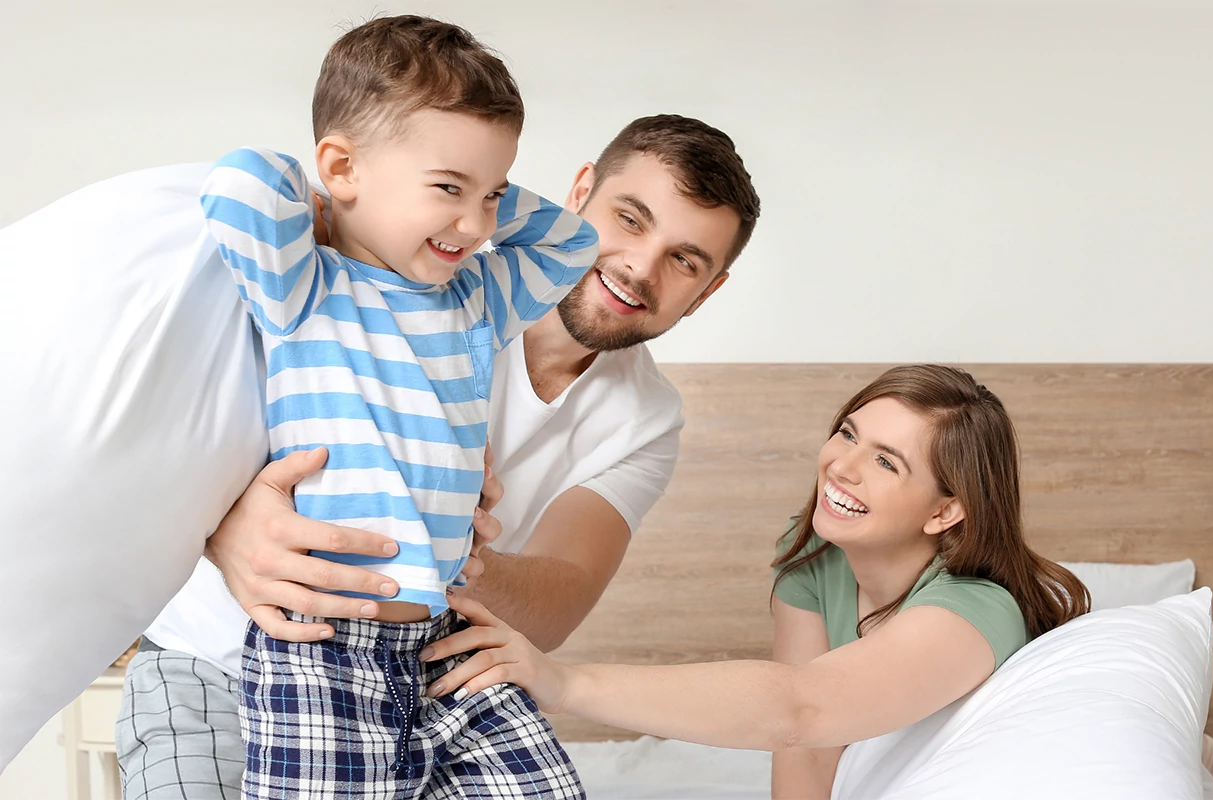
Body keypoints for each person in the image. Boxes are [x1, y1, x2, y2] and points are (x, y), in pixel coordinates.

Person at [116, 112, 762, 798]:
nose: (640, 266)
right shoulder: (392, 271)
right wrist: (225, 528)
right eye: (629, 219)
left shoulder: (645, 417)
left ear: (707, 291)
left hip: (416, 679)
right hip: (214, 661)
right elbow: (169, 432)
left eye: (685, 260)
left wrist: (448, 539)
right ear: (579, 193)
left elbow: (555, 607)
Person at [197, 14, 600, 799]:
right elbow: (241, 181)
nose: (476, 225)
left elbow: (573, 244)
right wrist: (331, 201)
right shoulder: (306, 285)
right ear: (341, 166)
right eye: (448, 189)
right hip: (323, 651)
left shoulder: (477, 298)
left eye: (493, 195)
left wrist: (470, 180)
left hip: (447, 637)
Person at [416, 364, 1094, 798]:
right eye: (848, 433)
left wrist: (563, 683)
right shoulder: (816, 556)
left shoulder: (975, 610)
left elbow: (801, 707)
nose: (842, 466)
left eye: (887, 462)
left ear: (946, 512)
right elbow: (803, 751)